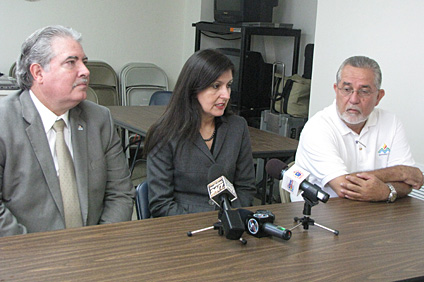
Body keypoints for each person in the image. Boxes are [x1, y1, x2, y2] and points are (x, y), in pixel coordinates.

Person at [0, 25, 135, 237]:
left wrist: (98, 243)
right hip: (25, 257)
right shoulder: (4, 122)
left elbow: (120, 193)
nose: (85, 71)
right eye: (71, 62)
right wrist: (37, 253)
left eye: (84, 62)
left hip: (94, 251)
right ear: (38, 72)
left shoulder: (99, 119)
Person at [293, 55, 423, 202]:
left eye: (364, 91)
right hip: (319, 216)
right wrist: (401, 172)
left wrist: (386, 191)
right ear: (336, 90)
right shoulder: (317, 127)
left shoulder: (391, 122)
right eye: (347, 89)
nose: (354, 99)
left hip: (373, 215)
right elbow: (344, 187)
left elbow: (409, 183)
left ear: (379, 97)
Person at [144, 49, 256, 217]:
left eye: (229, 85)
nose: (225, 95)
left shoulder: (237, 127)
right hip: (181, 229)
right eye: (216, 86)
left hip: (229, 224)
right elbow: (161, 205)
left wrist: (230, 219)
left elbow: (246, 189)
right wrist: (209, 221)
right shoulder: (164, 133)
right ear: (193, 88)